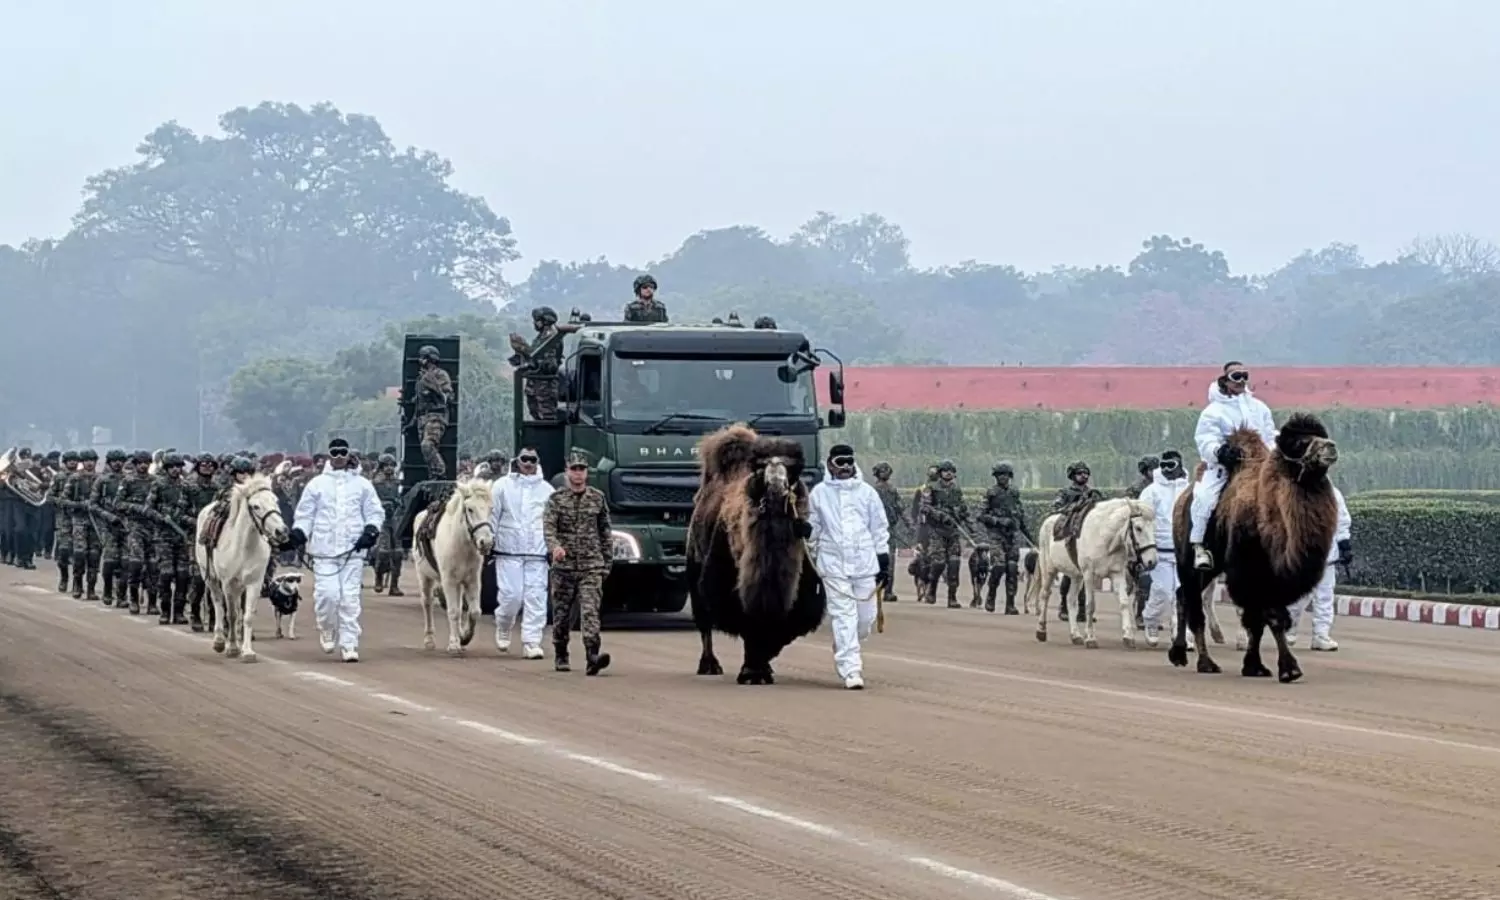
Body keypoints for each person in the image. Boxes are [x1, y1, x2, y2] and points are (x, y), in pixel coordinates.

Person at [288, 438, 384, 662]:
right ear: (329, 455)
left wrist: (371, 530)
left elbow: (374, 512)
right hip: (324, 551)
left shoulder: (362, 484)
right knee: (328, 595)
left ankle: (349, 643)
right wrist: (299, 533)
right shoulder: (316, 484)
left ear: (348, 454)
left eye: (343, 452)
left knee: (349, 599)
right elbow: (305, 515)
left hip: (353, 550)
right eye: (335, 452)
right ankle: (327, 628)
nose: (339, 456)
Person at [807, 444, 889, 690]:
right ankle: (851, 670)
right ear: (830, 465)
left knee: (865, 620)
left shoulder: (867, 493)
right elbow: (814, 529)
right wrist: (805, 531)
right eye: (839, 462)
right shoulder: (819, 493)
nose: (844, 467)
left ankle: (845, 643)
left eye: (848, 462)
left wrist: (883, 558)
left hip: (865, 564)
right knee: (844, 617)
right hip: (833, 565)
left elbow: (879, 527)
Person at [1189, 361, 1277, 570]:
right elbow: (1205, 439)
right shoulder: (1213, 411)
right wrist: (1220, 452)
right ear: (1225, 381)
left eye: (1245, 376)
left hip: (1258, 465)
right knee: (1204, 498)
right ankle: (1199, 546)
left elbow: (1269, 436)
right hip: (1225, 467)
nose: (1241, 381)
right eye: (1236, 376)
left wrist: (1273, 452)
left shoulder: (1260, 408)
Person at [542, 450, 613, 675]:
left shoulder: (597, 498)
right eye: (574, 469)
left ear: (587, 473)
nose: (578, 474)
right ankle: (561, 652)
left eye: (582, 469)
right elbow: (549, 528)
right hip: (564, 567)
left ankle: (593, 655)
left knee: (590, 612)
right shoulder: (556, 500)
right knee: (562, 615)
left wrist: (606, 563)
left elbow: (605, 532)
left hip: (591, 565)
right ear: (567, 472)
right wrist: (555, 548)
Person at [492, 446, 554, 659]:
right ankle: (503, 625)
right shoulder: (501, 486)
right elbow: (492, 515)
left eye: (532, 459)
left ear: (537, 462)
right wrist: (489, 540)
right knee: (511, 596)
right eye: (524, 459)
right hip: (508, 550)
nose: (528, 463)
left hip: (537, 553)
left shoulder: (547, 490)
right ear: (517, 461)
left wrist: (553, 546)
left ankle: (531, 642)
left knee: (536, 597)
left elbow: (552, 522)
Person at [1288, 483, 1351, 651]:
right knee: (1297, 597)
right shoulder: (1297, 493)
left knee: (1325, 597)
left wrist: (1345, 544)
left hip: (1327, 556)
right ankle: (1289, 631)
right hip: (1303, 556)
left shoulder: (1334, 494)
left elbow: (1342, 521)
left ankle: (1321, 635)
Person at [1137, 449, 1190, 646]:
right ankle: (1150, 620)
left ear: (1180, 466)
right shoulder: (1150, 491)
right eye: (1163, 466)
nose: (1167, 470)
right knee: (1163, 592)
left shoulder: (1190, 489)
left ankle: (1181, 633)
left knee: (1183, 594)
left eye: (1171, 465)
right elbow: (1142, 522)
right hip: (1160, 551)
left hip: (1184, 551)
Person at [977, 461, 1034, 614]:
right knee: (999, 566)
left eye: (1006, 475)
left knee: (1012, 568)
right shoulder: (991, 493)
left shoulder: (1014, 493)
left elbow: (1020, 515)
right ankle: (991, 595)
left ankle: (1010, 604)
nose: (1003, 477)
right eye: (1000, 475)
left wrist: (1030, 537)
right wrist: (998, 521)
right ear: (996, 477)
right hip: (996, 535)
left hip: (1012, 536)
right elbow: (981, 515)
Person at [1052, 461, 1105, 622]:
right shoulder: (1065, 492)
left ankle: (1083, 610)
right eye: (1080, 473)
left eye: (1086, 473)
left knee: (1087, 576)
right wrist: (1075, 506)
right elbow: (1056, 508)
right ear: (1073, 476)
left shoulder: (1093, 493)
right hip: (1071, 533)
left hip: (1089, 535)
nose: (1084, 476)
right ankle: (1064, 606)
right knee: (1070, 575)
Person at [145, 454, 193, 625]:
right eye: (171, 467)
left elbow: (191, 508)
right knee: (166, 574)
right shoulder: (158, 485)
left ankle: (179, 611)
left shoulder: (187, 486)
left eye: (178, 466)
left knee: (183, 575)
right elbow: (148, 509)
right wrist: (160, 517)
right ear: (166, 469)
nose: (175, 469)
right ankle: (165, 610)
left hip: (182, 536)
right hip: (162, 536)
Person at [920, 459, 969, 608]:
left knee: (954, 564)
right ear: (940, 473)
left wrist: (961, 515)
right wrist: (940, 515)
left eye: (951, 471)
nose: (948, 473)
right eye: (946, 470)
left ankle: (952, 597)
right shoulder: (931, 488)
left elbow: (963, 508)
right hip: (937, 531)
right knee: (938, 563)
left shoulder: (956, 490)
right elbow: (925, 507)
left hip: (953, 532)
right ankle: (932, 589)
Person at [509, 306, 564, 422]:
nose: (534, 323)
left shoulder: (552, 337)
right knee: (536, 415)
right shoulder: (541, 337)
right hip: (535, 384)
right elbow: (534, 356)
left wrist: (525, 350)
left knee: (547, 418)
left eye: (537, 320)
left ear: (545, 321)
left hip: (545, 386)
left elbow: (548, 364)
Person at [411, 345, 454, 480]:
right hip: (422, 417)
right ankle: (433, 476)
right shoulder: (420, 379)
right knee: (426, 451)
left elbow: (447, 397)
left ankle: (440, 474)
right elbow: (419, 403)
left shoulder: (440, 375)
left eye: (423, 358)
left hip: (436, 416)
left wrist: (432, 384)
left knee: (428, 445)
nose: (420, 361)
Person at [868, 462, 907, 602]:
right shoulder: (872, 491)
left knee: (890, 561)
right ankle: (874, 590)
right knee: (875, 561)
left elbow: (900, 507)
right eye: (882, 470)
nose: (885, 473)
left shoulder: (892, 490)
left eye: (887, 470)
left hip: (890, 530)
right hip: (874, 531)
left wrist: (908, 523)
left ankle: (888, 591)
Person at [370, 454, 404, 596]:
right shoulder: (375, 483)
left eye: (391, 465)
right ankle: (378, 577)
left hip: (395, 518)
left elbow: (400, 499)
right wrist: (383, 504)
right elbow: (371, 501)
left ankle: (394, 585)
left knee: (398, 553)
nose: (389, 468)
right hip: (381, 518)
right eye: (386, 465)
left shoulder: (397, 482)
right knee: (383, 551)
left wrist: (398, 502)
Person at [47, 450, 79, 592]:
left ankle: (77, 582)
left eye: (75, 460)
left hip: (80, 518)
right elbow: (50, 496)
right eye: (70, 460)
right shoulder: (59, 477)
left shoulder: (82, 477)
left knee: (80, 553)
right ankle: (64, 577)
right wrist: (61, 501)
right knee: (64, 550)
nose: (73, 462)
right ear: (65, 462)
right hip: (63, 518)